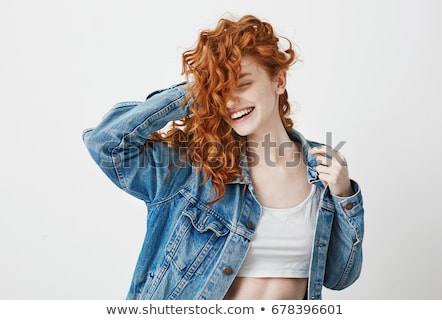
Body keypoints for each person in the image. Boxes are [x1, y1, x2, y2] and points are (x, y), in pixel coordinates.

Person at [83, 14, 364, 300]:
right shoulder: (192, 170)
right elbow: (106, 144)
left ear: (279, 81)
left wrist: (344, 196)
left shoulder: (321, 171)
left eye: (242, 84)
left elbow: (340, 278)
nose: (230, 101)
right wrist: (196, 93)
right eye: (220, 90)